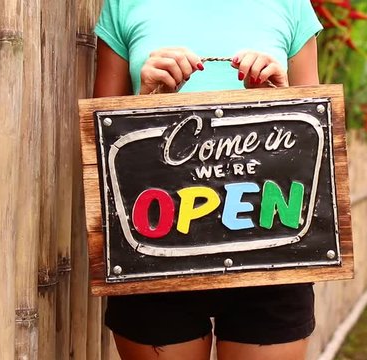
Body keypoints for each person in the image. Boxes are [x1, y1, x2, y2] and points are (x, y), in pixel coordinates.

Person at [93, 1, 323, 359]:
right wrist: (147, 100)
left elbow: (317, 138)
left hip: (271, 245)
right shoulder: (123, 4)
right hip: (155, 248)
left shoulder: (291, 4)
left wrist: (279, 97)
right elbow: (99, 140)